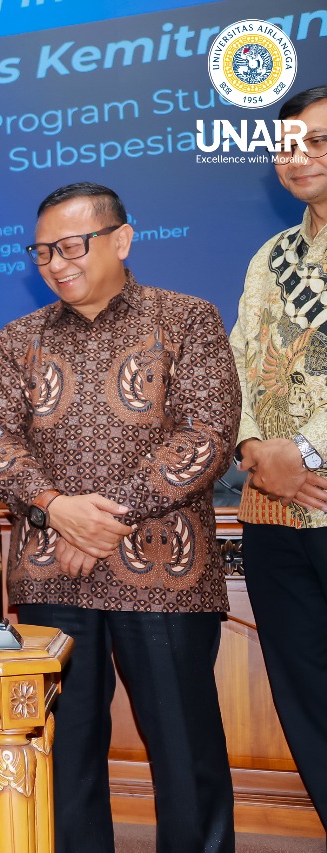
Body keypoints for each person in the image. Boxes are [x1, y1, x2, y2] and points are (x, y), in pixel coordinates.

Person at [0, 182, 239, 853]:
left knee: (184, 749)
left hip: (165, 572)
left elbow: (206, 435)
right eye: (42, 253)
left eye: (70, 247)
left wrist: (100, 522)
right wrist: (58, 509)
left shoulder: (188, 319)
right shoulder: (18, 338)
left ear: (121, 239)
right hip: (50, 572)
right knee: (64, 753)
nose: (55, 264)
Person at [230, 85, 327, 828]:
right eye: (288, 146)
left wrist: (307, 449)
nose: (299, 159)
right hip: (271, 512)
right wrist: (253, 449)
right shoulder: (272, 256)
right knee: (307, 695)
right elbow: (237, 360)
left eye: (317, 141)